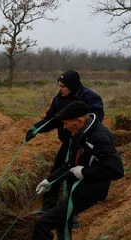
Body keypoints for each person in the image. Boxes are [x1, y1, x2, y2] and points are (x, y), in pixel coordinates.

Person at [21, 101, 124, 240]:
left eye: (67, 123)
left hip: (92, 189)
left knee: (43, 223)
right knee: (62, 211)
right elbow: (70, 164)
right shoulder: (78, 134)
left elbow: (116, 170)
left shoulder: (100, 138)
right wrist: (50, 180)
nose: (64, 127)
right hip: (79, 183)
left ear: (79, 120)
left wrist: (85, 172)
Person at [27, 69, 104, 216]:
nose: (60, 89)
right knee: (57, 170)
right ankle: (48, 207)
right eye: (59, 86)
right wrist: (36, 129)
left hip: (84, 145)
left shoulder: (89, 98)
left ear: (72, 86)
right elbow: (51, 119)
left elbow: (96, 120)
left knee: (73, 176)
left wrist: (80, 137)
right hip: (67, 143)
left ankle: (71, 213)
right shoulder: (59, 99)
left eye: (63, 86)